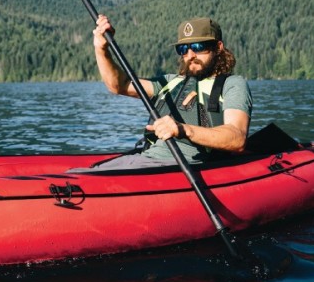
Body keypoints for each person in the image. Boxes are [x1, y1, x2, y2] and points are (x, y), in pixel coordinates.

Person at [87, 15, 252, 170]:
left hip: (183, 167)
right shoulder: (170, 82)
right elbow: (119, 85)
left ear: (218, 47)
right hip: (148, 158)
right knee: (83, 173)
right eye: (183, 49)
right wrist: (101, 49)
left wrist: (183, 129)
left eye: (198, 46)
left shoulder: (232, 84)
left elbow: (236, 138)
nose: (190, 55)